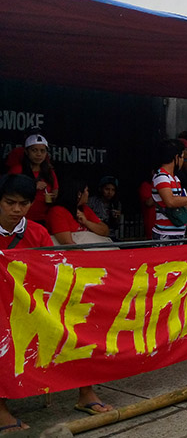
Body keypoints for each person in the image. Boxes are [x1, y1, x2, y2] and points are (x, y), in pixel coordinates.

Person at [0, 175, 115, 433]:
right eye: (9, 203)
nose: (16, 210)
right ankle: (1, 410)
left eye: (23, 204)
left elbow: (49, 273)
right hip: (2, 309)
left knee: (78, 324)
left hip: (32, 303)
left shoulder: (37, 232)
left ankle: (86, 393)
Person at [7, 133, 57, 225]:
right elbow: (8, 192)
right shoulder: (18, 170)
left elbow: (55, 190)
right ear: (26, 151)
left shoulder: (49, 172)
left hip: (44, 218)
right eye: (34, 150)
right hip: (20, 218)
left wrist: (53, 196)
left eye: (42, 151)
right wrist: (33, 186)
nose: (39, 154)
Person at [47, 179, 110, 245]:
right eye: (87, 191)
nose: (88, 194)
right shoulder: (57, 212)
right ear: (79, 194)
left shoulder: (85, 209)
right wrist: (88, 255)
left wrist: (86, 222)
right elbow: (67, 244)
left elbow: (105, 231)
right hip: (73, 253)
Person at [87, 176, 122, 240]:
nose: (110, 192)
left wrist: (117, 218)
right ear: (101, 189)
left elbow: (117, 226)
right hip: (94, 235)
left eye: (113, 190)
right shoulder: (91, 201)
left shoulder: (116, 204)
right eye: (107, 189)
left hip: (111, 236)